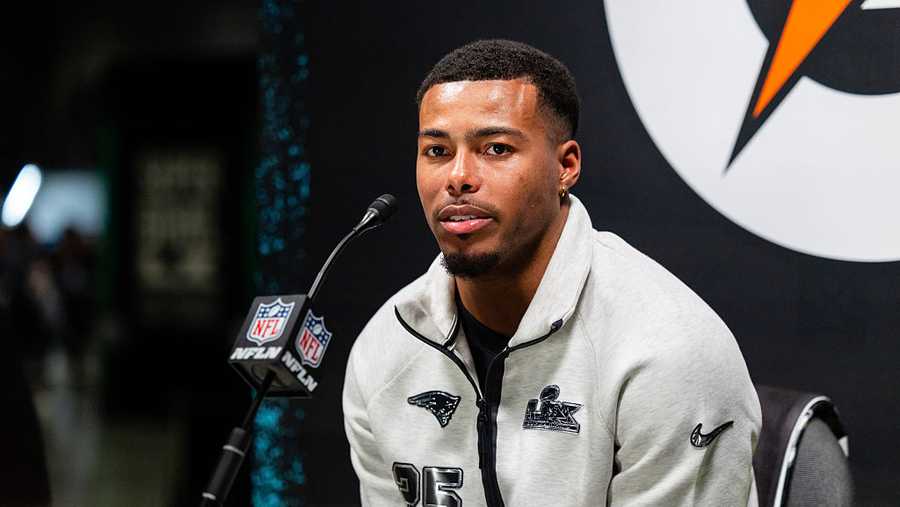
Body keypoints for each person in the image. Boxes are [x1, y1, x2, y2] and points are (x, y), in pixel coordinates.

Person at [343, 39, 761, 506]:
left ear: (566, 166)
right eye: (437, 151)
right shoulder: (384, 348)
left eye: (496, 148)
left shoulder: (668, 350)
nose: (457, 177)